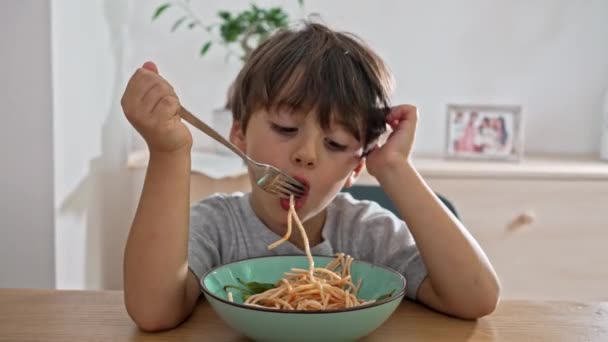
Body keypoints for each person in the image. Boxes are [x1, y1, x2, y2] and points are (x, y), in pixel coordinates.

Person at [120, 21, 500, 331]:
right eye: (286, 129)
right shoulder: (216, 226)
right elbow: (153, 312)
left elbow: (476, 298)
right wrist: (168, 152)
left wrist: (396, 168)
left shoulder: (368, 233)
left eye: (335, 144)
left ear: (355, 168)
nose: (306, 154)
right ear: (238, 135)